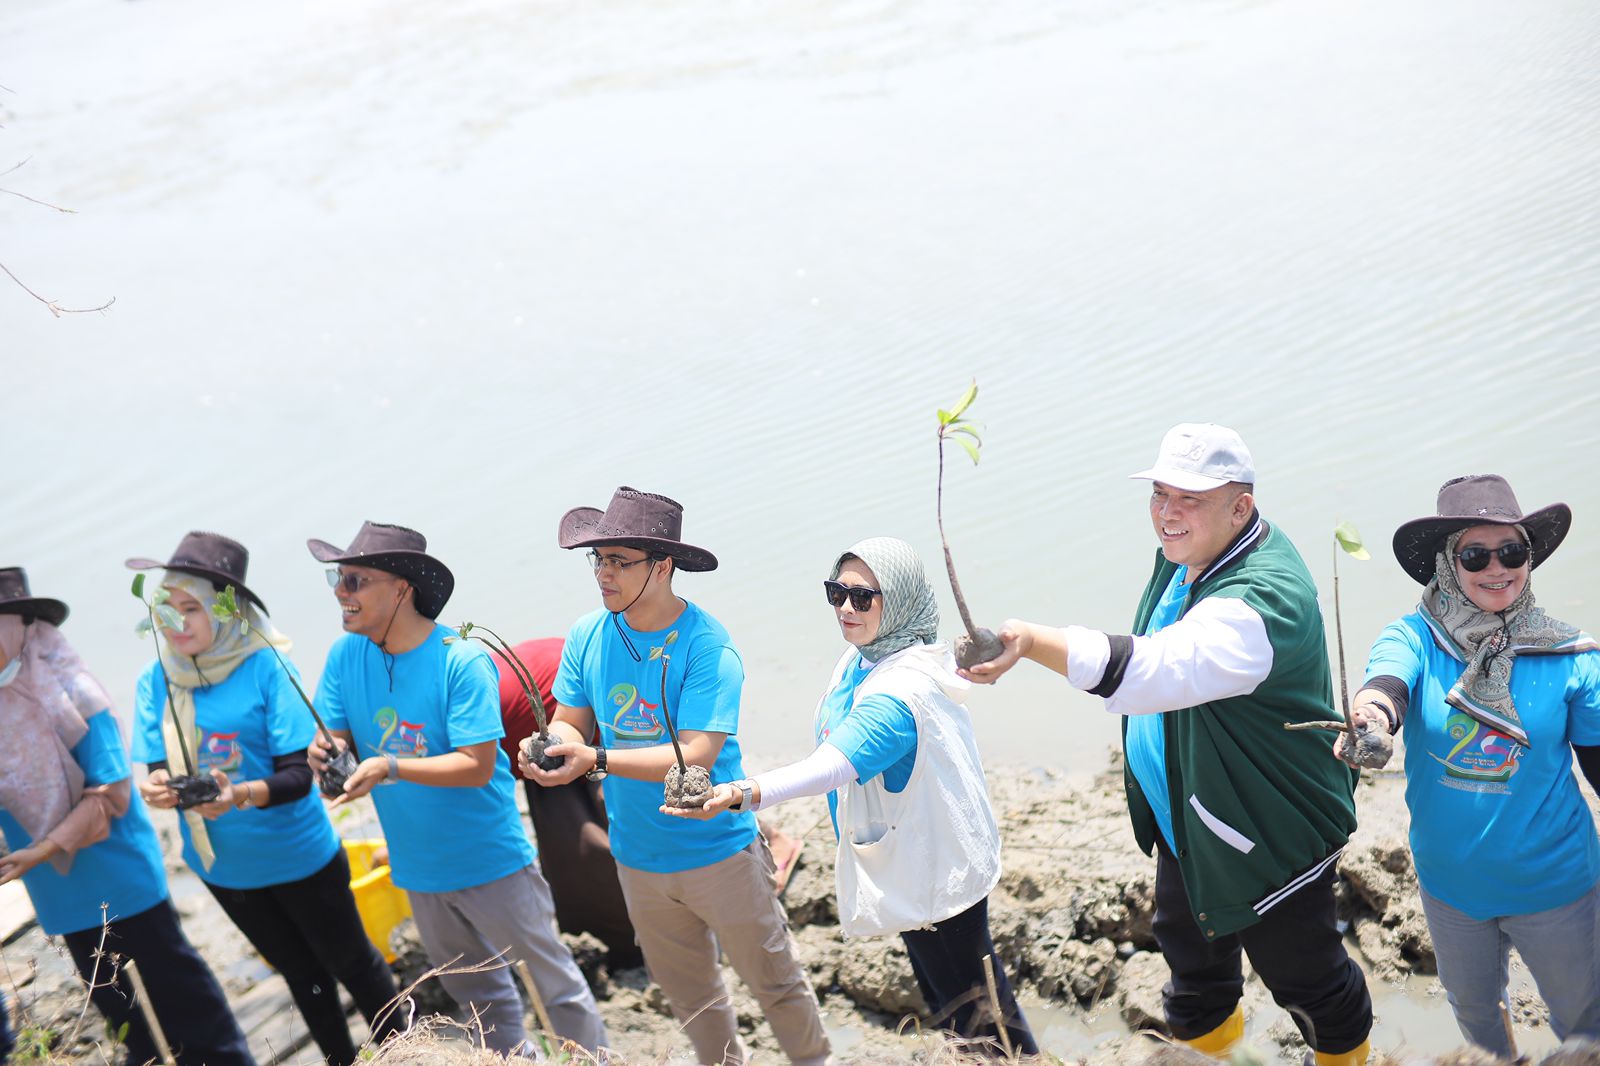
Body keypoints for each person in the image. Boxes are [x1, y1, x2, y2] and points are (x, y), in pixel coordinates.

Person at [962, 424, 1373, 1066]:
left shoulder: (1261, 601)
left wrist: (1032, 642)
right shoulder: (1196, 552)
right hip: (1192, 820)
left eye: (1190, 498)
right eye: (1159, 494)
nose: (1167, 513)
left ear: (1241, 506)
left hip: (1264, 828)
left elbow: (1156, 668)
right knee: (1193, 974)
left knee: (1310, 981)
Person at [665, 537, 1038, 1055]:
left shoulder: (898, 692)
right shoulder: (867, 656)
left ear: (901, 599)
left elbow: (831, 766)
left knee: (980, 1015)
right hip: (906, 854)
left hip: (936, 870)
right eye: (836, 592)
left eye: (862, 597)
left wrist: (739, 792)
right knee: (953, 1009)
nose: (845, 607)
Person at [523, 487, 831, 1066]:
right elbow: (571, 721)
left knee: (776, 984)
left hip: (719, 854)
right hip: (638, 859)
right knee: (691, 1000)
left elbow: (696, 754)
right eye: (600, 560)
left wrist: (599, 760)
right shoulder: (589, 634)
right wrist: (551, 747)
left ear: (662, 566)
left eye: (620, 561)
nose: (604, 575)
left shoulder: (707, 648)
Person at [303, 521, 606, 1056]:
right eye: (337, 578)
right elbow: (335, 734)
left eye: (355, 580)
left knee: (554, 984)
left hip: (492, 863)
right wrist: (323, 753)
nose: (340, 592)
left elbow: (475, 763)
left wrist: (388, 767)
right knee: (477, 994)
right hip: (418, 869)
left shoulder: (459, 660)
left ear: (401, 587)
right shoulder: (345, 657)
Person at [1341, 474, 1600, 1056]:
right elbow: (1386, 683)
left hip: (1556, 887)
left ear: (1530, 556)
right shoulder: (1415, 637)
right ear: (1446, 563)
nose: (1496, 568)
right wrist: (1372, 721)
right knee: (1478, 1023)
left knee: (1586, 1030)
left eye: (1512, 551)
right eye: (1475, 554)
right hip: (1450, 889)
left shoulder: (1573, 657)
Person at [127, 532, 402, 1066]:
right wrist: (156, 787)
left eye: (192, 608)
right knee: (301, 975)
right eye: (167, 607)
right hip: (224, 867)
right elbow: (159, 766)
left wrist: (238, 795)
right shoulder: (155, 678)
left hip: (298, 856)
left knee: (353, 964)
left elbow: (298, 776)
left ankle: (410, 1052)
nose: (175, 622)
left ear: (225, 612)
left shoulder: (266, 665)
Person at [0, 567, 254, 1066]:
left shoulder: (73, 693)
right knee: (128, 1024)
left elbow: (110, 793)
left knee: (189, 1009)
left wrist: (44, 848)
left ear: (19, 625)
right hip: (58, 891)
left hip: (119, 880)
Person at [489, 636, 642, 969]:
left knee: (602, 833)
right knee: (569, 841)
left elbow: (483, 805)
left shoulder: (447, 733)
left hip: (568, 708)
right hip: (536, 715)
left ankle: (632, 943)